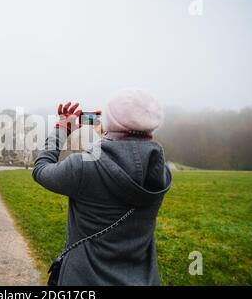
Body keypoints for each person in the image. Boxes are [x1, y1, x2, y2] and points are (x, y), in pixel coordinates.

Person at [32, 89, 172, 286]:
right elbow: (126, 154)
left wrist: (62, 128)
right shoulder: (160, 172)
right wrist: (109, 126)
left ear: (109, 124)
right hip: (143, 280)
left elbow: (41, 168)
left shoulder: (82, 168)